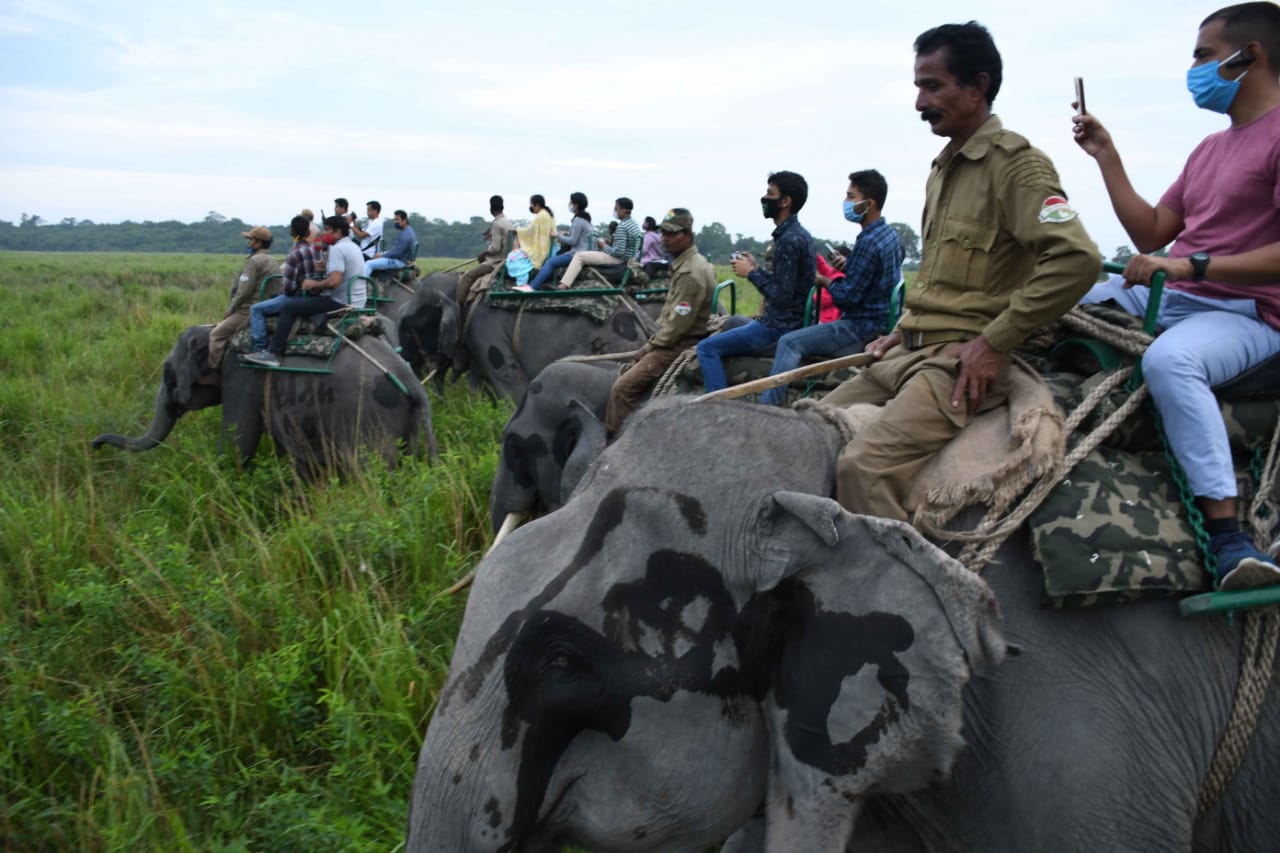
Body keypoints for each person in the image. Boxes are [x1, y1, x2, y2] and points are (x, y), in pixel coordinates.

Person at [819, 21, 1099, 523]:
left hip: (958, 363)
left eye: (933, 86)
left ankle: (902, 593)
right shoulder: (943, 169)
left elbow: (1077, 259)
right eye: (918, 87)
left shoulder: (1018, 167)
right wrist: (899, 331)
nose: (920, 103)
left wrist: (993, 344)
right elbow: (942, 277)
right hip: (907, 351)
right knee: (812, 427)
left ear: (978, 86)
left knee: (863, 469)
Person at [1072, 2, 1280, 589]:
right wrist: (1106, 157)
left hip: (1248, 314)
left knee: (1172, 360)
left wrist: (1192, 266)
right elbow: (1153, 233)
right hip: (1181, 294)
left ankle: (1227, 536)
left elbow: (1184, 255)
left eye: (1203, 57)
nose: (1193, 70)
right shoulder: (1210, 149)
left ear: (1251, 56)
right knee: (1062, 297)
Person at [760, 170, 902, 405]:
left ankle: (768, 409)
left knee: (789, 342)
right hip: (883, 320)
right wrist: (849, 266)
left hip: (860, 327)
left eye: (851, 196)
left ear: (870, 203)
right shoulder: (888, 235)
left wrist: (825, 281)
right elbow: (876, 278)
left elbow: (847, 297)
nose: (846, 203)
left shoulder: (867, 241)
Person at [696, 170, 815, 392]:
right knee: (731, 322)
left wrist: (751, 273)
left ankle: (719, 404)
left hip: (778, 326)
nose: (765, 198)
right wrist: (758, 268)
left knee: (706, 348)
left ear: (785, 201)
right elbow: (787, 283)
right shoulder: (798, 234)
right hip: (788, 320)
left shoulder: (789, 240)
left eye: (770, 193)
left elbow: (781, 297)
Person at [605, 209, 716, 434]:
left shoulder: (690, 273)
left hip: (678, 344)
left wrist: (649, 347)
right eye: (663, 233)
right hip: (676, 337)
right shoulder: (690, 263)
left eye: (672, 234)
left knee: (621, 389)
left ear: (687, 235)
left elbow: (677, 328)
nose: (665, 238)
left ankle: (621, 446)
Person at [244, 216, 368, 367]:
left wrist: (313, 284)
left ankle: (273, 353)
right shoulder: (353, 246)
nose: (323, 233)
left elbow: (334, 282)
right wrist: (324, 268)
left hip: (341, 301)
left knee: (290, 307)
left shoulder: (336, 249)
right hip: (358, 300)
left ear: (338, 233)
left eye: (327, 230)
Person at [207, 225, 279, 371]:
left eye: (250, 240)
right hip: (268, 305)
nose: (248, 243)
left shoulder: (253, 261)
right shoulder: (273, 260)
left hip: (247, 310)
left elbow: (244, 291)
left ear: (258, 243)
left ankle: (214, 372)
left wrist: (231, 308)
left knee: (216, 334)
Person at [247, 215, 321, 356]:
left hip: (297, 297)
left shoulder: (294, 253)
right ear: (309, 232)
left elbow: (288, 288)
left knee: (256, 309)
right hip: (313, 296)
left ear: (292, 232)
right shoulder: (314, 250)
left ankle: (260, 349)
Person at [557, 197, 645, 288]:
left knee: (579, 256)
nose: (615, 211)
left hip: (619, 259)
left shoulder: (622, 226)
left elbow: (618, 252)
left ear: (623, 210)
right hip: (629, 259)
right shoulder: (634, 224)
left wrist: (603, 246)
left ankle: (564, 284)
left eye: (616, 208)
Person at [518, 191, 593, 291]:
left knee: (550, 261)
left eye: (571, 203)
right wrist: (564, 234)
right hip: (584, 251)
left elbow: (572, 241)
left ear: (576, 205)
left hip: (577, 254)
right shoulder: (585, 219)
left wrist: (558, 235)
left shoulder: (578, 220)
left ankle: (532, 286)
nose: (569, 205)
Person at [457, 195, 515, 303]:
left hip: (496, 262)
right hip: (508, 259)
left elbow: (495, 248)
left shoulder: (497, 224)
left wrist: (484, 252)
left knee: (468, 276)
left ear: (491, 209)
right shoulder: (508, 222)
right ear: (503, 207)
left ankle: (458, 305)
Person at [364, 209, 416, 276]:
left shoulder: (406, 234)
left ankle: (361, 284)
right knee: (376, 255)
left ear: (405, 220)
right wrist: (382, 254)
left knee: (369, 264)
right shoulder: (407, 231)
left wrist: (382, 256)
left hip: (400, 261)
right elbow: (397, 250)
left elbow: (397, 252)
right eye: (394, 220)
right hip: (401, 258)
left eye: (397, 220)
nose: (395, 222)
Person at [514, 194, 555, 270]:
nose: (531, 207)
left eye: (531, 204)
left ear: (536, 205)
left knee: (518, 242)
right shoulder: (547, 214)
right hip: (547, 247)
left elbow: (529, 231)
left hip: (540, 250)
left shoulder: (540, 216)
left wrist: (518, 230)